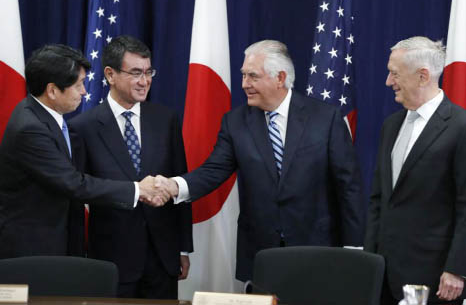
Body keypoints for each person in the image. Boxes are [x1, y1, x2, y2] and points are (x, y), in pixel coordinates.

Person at [157, 39, 365, 282]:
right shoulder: (235, 122)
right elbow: (212, 171)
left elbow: (348, 186)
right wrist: (174, 186)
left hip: (316, 248)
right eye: (244, 76)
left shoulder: (326, 119)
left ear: (280, 78)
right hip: (261, 253)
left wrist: (353, 249)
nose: (245, 84)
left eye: (253, 76)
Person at [0, 44, 166, 259]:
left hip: (55, 241)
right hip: (32, 250)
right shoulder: (31, 129)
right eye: (78, 85)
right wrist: (138, 190)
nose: (84, 92)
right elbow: (74, 183)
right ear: (52, 90)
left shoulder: (43, 116)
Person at [68, 35, 193, 299]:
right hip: (111, 259)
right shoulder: (83, 127)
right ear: (110, 75)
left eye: (148, 72)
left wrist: (182, 249)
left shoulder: (165, 119)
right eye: (136, 73)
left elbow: (180, 181)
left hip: (163, 257)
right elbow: (78, 192)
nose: (144, 81)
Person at [364, 36, 466, 304]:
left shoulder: (460, 126)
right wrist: (368, 259)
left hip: (434, 278)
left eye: (394, 73)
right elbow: (379, 199)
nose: (388, 81)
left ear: (423, 76)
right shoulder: (391, 125)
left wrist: (457, 269)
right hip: (382, 274)